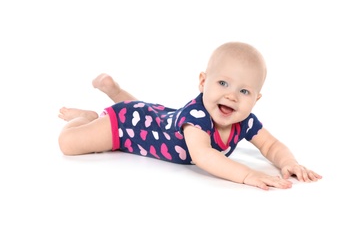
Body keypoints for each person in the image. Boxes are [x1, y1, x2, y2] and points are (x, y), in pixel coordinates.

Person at [58, 41, 322, 190]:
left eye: (244, 90)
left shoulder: (245, 121)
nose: (232, 96)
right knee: (68, 145)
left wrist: (289, 162)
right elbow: (204, 156)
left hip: (151, 117)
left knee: (145, 111)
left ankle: (115, 92)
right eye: (223, 84)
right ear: (203, 82)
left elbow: (271, 144)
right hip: (123, 128)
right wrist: (248, 175)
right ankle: (87, 117)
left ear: (256, 99)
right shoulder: (197, 118)